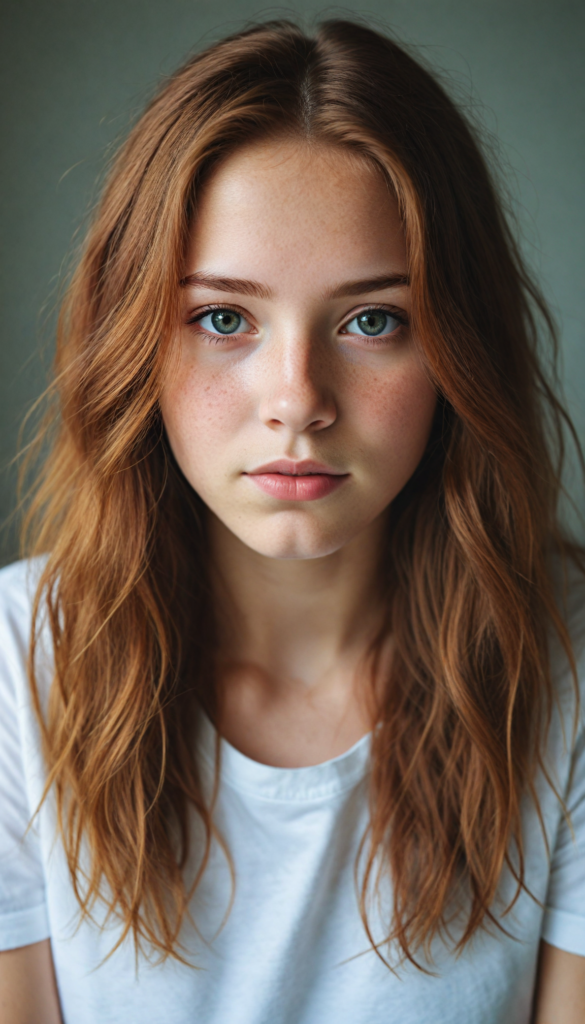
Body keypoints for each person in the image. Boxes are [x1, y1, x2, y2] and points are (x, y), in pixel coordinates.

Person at [0, 18, 583, 1024]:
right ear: (133, 338)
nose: (298, 398)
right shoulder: (18, 664)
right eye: (223, 318)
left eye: (373, 320)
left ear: (457, 350)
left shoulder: (569, 659)